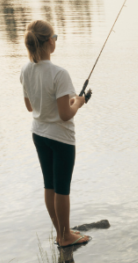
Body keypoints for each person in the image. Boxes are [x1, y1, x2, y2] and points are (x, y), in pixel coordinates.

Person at [21, 19, 90, 248]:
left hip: (39, 134)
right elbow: (65, 115)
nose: (56, 41)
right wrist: (78, 102)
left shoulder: (25, 69)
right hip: (60, 138)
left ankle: (61, 233)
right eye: (56, 37)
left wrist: (69, 102)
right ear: (50, 42)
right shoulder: (60, 73)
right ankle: (66, 237)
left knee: (49, 185)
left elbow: (31, 107)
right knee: (62, 188)